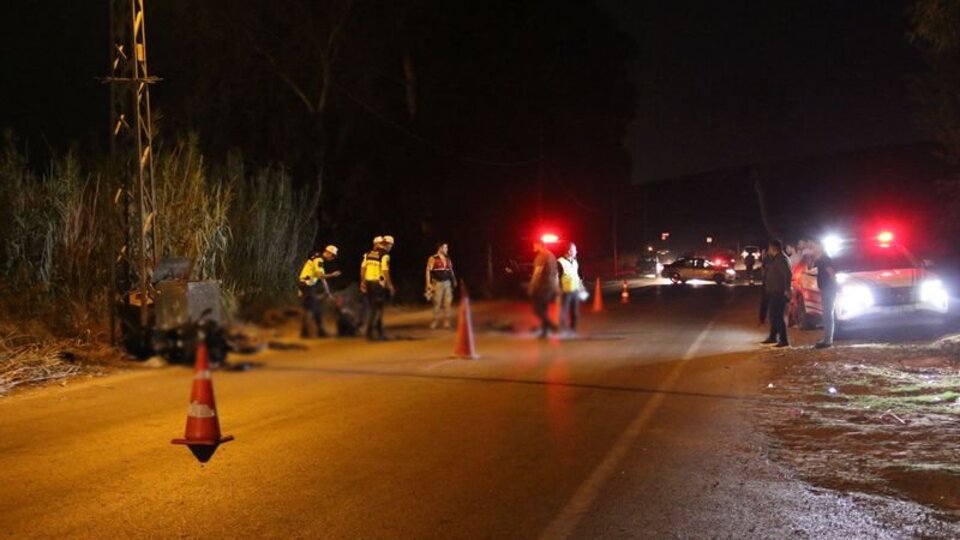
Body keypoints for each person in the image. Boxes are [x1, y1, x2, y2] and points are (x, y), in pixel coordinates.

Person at [298, 245, 341, 338]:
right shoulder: (319, 260)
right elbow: (320, 276)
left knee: (313, 308)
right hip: (307, 285)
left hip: (307, 284)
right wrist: (332, 275)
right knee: (311, 308)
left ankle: (316, 331)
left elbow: (322, 279)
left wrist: (328, 293)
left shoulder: (317, 258)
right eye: (333, 256)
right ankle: (306, 332)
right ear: (328, 253)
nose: (332, 258)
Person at [360, 235, 396, 341]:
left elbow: (363, 268)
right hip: (378, 285)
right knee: (377, 310)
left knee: (374, 308)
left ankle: (380, 333)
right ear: (388, 244)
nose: (390, 247)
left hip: (368, 283)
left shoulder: (368, 254)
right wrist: (390, 285)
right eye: (390, 245)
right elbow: (385, 271)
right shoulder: (385, 255)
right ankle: (369, 333)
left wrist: (362, 282)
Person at [761, 239, 792, 347]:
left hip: (778, 291)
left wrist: (787, 289)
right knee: (773, 315)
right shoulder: (775, 258)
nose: (768, 250)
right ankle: (773, 336)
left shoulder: (781, 259)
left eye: (769, 248)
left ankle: (783, 340)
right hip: (774, 290)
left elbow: (787, 274)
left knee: (777, 316)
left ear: (773, 248)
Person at [528, 239, 560, 339]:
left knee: (537, 309)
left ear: (540, 245)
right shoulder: (552, 255)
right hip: (551, 286)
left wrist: (531, 285)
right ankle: (545, 333)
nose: (533, 247)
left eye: (534, 245)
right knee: (544, 310)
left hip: (543, 287)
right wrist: (556, 287)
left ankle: (552, 326)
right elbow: (556, 273)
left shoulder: (542, 256)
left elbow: (537, 273)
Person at [425, 242, 457, 329]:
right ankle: (435, 320)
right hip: (437, 283)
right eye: (445, 248)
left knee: (448, 303)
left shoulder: (447, 259)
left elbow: (451, 270)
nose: (447, 249)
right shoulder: (433, 258)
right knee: (437, 302)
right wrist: (428, 283)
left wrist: (454, 280)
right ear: (440, 248)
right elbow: (428, 271)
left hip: (447, 283)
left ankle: (447, 321)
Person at [812, 240, 837, 349]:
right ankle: (827, 339)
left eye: (814, 246)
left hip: (828, 289)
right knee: (826, 314)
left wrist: (835, 286)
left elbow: (831, 273)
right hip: (826, 288)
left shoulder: (825, 259)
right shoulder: (821, 259)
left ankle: (828, 340)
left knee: (828, 314)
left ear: (820, 247)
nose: (813, 249)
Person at [557, 242, 586, 333]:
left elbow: (577, 275)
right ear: (569, 251)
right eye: (575, 250)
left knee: (574, 312)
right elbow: (556, 277)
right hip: (565, 291)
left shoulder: (575, 261)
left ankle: (572, 329)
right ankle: (561, 330)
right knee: (563, 311)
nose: (576, 251)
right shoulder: (560, 262)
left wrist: (581, 287)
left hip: (575, 291)